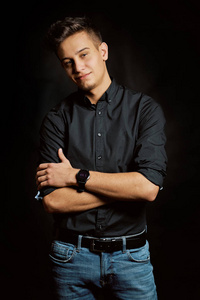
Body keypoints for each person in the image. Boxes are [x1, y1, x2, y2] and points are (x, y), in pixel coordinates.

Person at [35, 16, 167, 300]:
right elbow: (53, 201)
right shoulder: (57, 120)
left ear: (103, 51)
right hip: (70, 258)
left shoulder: (145, 111)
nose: (78, 67)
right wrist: (128, 189)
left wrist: (75, 177)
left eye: (84, 55)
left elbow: (148, 188)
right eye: (67, 61)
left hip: (131, 258)